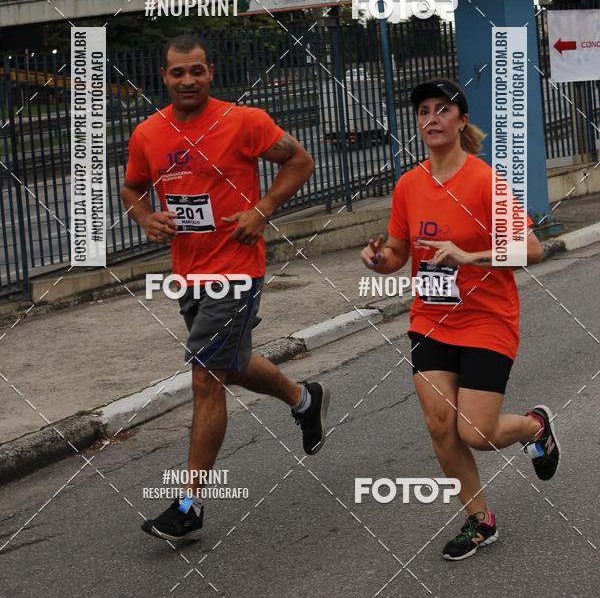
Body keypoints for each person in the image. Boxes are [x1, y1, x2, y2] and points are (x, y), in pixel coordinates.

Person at [121, 34, 330, 542]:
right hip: (189, 273)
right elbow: (131, 187)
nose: (188, 80)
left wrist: (263, 210)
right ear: (164, 77)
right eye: (177, 72)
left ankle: (189, 505)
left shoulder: (244, 122)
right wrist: (146, 218)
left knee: (206, 378)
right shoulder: (148, 133)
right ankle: (304, 399)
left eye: (197, 70)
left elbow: (300, 161)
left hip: (236, 270)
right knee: (230, 365)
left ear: (210, 72)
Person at [361, 78, 559, 561]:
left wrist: (469, 256)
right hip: (430, 319)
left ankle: (534, 427)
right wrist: (380, 261)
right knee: (440, 425)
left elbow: (532, 249)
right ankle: (479, 520)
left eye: (442, 110)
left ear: (461, 120)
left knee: (477, 433)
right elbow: (399, 252)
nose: (431, 118)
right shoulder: (409, 185)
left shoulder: (484, 182)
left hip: (487, 320)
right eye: (423, 111)